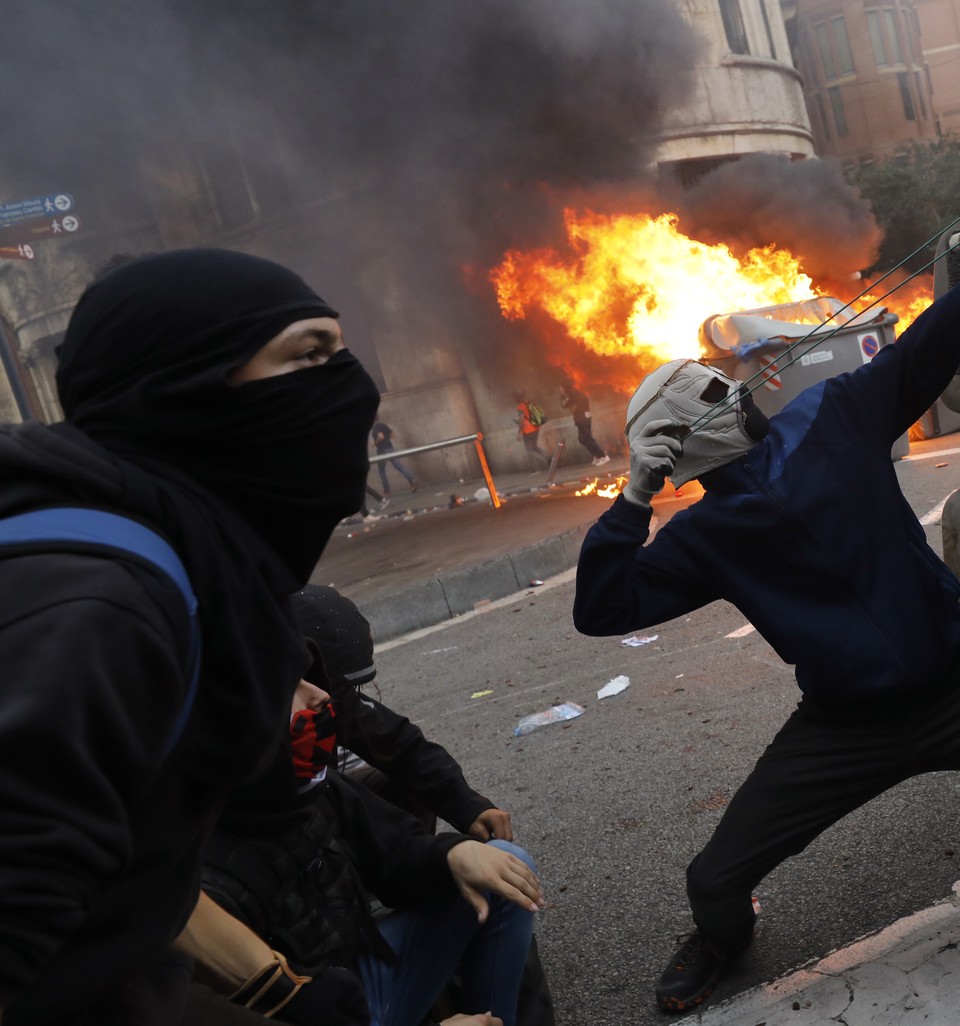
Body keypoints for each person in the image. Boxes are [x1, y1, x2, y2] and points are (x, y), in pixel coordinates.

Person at [571, 183, 960, 1015]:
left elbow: (934, 341)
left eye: (723, 381)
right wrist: (632, 496)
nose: (735, 393)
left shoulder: (832, 415)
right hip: (847, 728)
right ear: (678, 442)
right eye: (710, 395)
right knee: (713, 878)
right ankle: (724, 941)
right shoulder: (703, 537)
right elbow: (603, 609)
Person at [0, 248, 380, 1024]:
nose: (352, 386)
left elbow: (121, 903)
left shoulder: (190, 560)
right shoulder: (104, 605)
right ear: (184, 385)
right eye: (308, 354)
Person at [199, 675, 542, 1026]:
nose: (320, 695)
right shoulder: (203, 878)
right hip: (317, 1013)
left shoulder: (308, 786)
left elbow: (398, 851)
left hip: (363, 973)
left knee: (505, 865)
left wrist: (452, 854)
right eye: (289, 686)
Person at [290, 584, 556, 1026]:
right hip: (323, 997)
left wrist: (458, 836)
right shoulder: (205, 845)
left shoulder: (318, 782)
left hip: (342, 951)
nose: (322, 702)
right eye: (295, 687)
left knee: (501, 867)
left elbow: (403, 748)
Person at [558, 380, 609, 466]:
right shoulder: (576, 392)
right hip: (584, 417)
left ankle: (603, 456)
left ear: (565, 387)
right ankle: (597, 455)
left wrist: (562, 398)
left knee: (586, 438)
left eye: (561, 387)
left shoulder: (572, 394)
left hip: (582, 418)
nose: (560, 389)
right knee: (583, 439)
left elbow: (565, 405)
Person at [371, 421, 417, 498]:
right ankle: (412, 480)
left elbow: (381, 437)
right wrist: (386, 439)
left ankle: (387, 491)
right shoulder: (383, 425)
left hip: (382, 451)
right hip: (390, 448)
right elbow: (393, 435)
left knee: (382, 471)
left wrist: (375, 443)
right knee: (399, 467)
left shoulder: (376, 427)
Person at [513, 390, 550, 469]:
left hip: (528, 431)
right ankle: (548, 458)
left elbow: (522, 419)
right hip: (535, 427)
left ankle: (536, 468)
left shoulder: (520, 406)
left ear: (517, 399)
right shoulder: (528, 402)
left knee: (530, 451)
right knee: (535, 447)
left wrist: (519, 432)